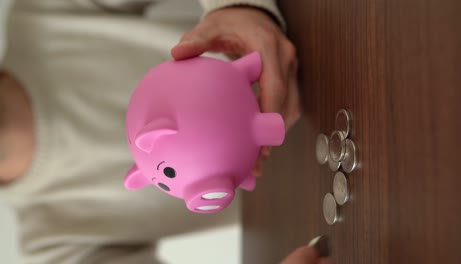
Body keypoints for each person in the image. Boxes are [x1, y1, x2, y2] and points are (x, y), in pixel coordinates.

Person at [0, 0, 331, 263]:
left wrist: (237, 6)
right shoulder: (55, 245)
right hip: (336, 189)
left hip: (330, 42)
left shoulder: (48, 11)